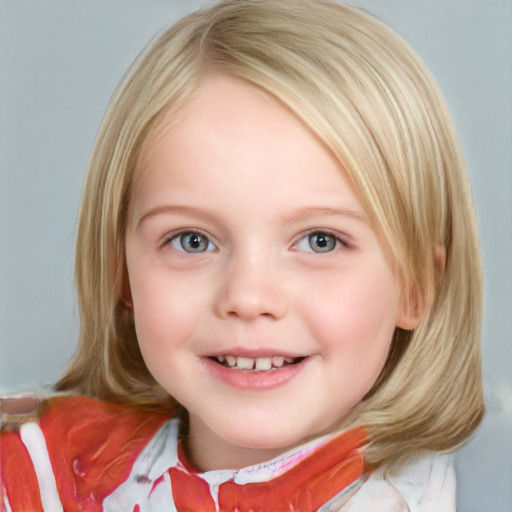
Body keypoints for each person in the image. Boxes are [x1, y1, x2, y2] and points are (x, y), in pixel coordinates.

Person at [0, 0, 484, 510]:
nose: (249, 298)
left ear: (415, 287)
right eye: (193, 240)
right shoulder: (38, 466)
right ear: (121, 274)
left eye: (321, 240)